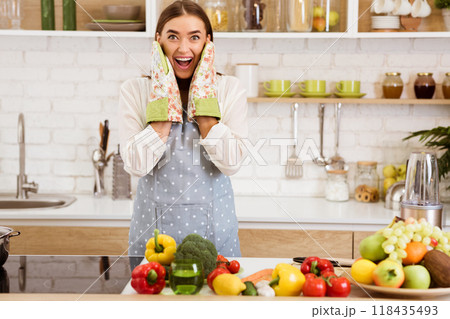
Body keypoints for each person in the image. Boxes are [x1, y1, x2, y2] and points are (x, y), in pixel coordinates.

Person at [119, 0, 248, 269]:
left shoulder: (228, 89)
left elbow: (232, 163)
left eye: (195, 37)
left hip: (215, 235)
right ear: (158, 41)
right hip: (152, 241)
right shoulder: (135, 90)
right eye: (173, 36)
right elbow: (135, 166)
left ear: (208, 43)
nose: (183, 48)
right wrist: (163, 101)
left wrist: (204, 105)